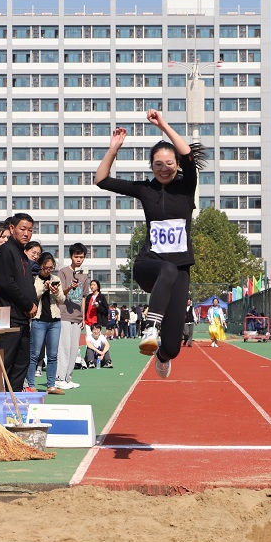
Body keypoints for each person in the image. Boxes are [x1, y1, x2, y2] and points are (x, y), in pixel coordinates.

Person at [94, 109, 205, 378]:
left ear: (177, 165)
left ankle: (162, 355)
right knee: (166, 268)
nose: (164, 169)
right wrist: (113, 149)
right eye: (158, 164)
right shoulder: (145, 189)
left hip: (180, 270)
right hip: (150, 265)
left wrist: (163, 124)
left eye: (169, 163)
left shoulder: (186, 186)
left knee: (173, 347)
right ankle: (151, 328)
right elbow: (101, 180)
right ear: (151, 167)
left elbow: (187, 154)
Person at [0, 213, 38, 392]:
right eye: (23, 229)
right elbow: (6, 282)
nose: (27, 233)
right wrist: (28, 304)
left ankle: (15, 400)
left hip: (23, 318)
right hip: (9, 318)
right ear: (12, 228)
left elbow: (28, 284)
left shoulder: (23, 255)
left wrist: (33, 303)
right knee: (5, 363)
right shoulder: (6, 250)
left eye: (30, 230)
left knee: (22, 362)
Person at [25, 252, 66, 394]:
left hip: (55, 321)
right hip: (38, 321)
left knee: (53, 355)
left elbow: (62, 300)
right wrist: (44, 288)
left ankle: (51, 385)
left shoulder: (56, 279)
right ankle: (31, 384)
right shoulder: (34, 279)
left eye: (51, 267)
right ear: (40, 266)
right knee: (34, 354)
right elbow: (32, 296)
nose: (48, 270)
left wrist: (56, 291)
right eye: (46, 267)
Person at [55, 242, 89, 390]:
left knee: (74, 349)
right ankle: (59, 377)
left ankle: (68, 378)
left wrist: (83, 316)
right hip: (64, 314)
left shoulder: (84, 276)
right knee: (64, 347)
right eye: (76, 257)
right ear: (71, 256)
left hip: (77, 317)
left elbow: (84, 297)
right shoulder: (63, 272)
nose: (79, 259)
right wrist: (70, 287)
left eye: (81, 257)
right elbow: (60, 292)